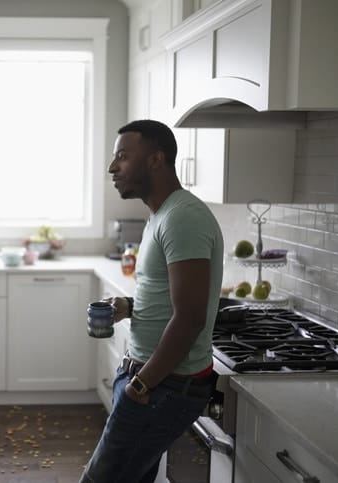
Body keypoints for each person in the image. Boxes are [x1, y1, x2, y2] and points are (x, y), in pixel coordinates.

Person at [81, 120, 223, 483]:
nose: (113, 168)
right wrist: (131, 306)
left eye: (123, 157)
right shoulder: (161, 214)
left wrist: (140, 385)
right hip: (155, 384)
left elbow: (190, 318)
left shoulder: (182, 218)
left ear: (156, 160)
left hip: (162, 388)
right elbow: (172, 299)